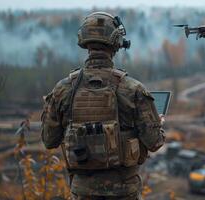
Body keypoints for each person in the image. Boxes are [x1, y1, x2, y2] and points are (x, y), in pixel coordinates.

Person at [41, 12, 165, 200]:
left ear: (84, 41)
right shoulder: (133, 88)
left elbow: (49, 140)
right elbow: (155, 142)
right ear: (116, 43)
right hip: (124, 192)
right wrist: (158, 123)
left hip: (82, 191)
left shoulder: (63, 89)